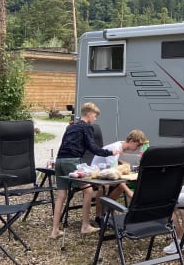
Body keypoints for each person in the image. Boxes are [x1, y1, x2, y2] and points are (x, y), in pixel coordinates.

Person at [49, 102, 120, 239]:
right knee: (88, 190)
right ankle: (85, 226)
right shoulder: (87, 127)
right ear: (89, 114)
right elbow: (93, 148)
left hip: (59, 161)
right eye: (95, 116)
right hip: (72, 161)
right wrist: (110, 152)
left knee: (61, 195)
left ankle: (55, 230)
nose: (95, 119)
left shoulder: (71, 127)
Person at [91, 129, 147, 224]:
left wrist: (121, 162)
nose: (138, 148)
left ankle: (105, 212)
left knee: (120, 186)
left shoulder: (120, 146)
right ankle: (98, 216)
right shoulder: (115, 147)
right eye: (138, 145)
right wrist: (128, 192)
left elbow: (113, 164)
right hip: (97, 173)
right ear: (131, 141)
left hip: (106, 172)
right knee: (105, 186)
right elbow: (114, 171)